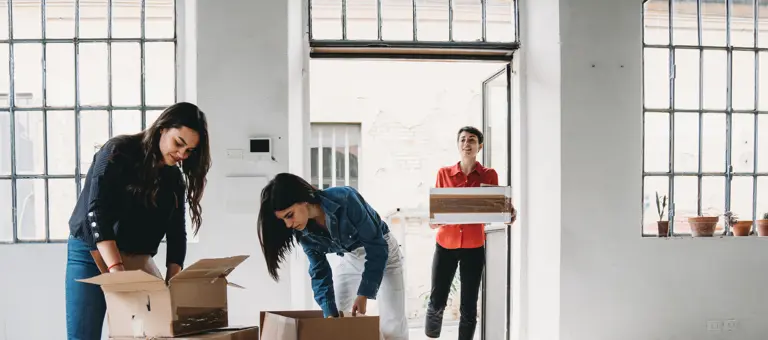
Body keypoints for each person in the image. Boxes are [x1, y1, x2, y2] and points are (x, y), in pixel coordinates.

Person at [64, 102, 212, 340]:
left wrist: (172, 284)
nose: (182, 155)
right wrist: (117, 271)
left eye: (190, 151)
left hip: (136, 255)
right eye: (179, 144)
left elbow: (177, 234)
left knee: (151, 332)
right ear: (162, 129)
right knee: (83, 335)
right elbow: (96, 212)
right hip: (91, 250)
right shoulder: (118, 151)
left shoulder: (174, 178)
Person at [257, 173, 409, 340]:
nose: (289, 224)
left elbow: (376, 247)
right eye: (283, 220)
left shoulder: (345, 198)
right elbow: (319, 271)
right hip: (351, 257)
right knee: (334, 312)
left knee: (392, 323)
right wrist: (329, 313)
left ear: (303, 200)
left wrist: (364, 293)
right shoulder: (303, 233)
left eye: (289, 215)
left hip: (383, 251)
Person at [425, 126, 516, 340]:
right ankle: (430, 335)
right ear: (458, 145)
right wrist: (434, 219)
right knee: (437, 299)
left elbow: (494, 210)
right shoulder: (444, 173)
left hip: (474, 247)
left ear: (480, 146)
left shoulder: (489, 175)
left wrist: (508, 213)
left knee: (469, 303)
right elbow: (439, 210)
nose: (467, 144)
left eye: (472, 140)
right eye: (463, 140)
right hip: (445, 244)